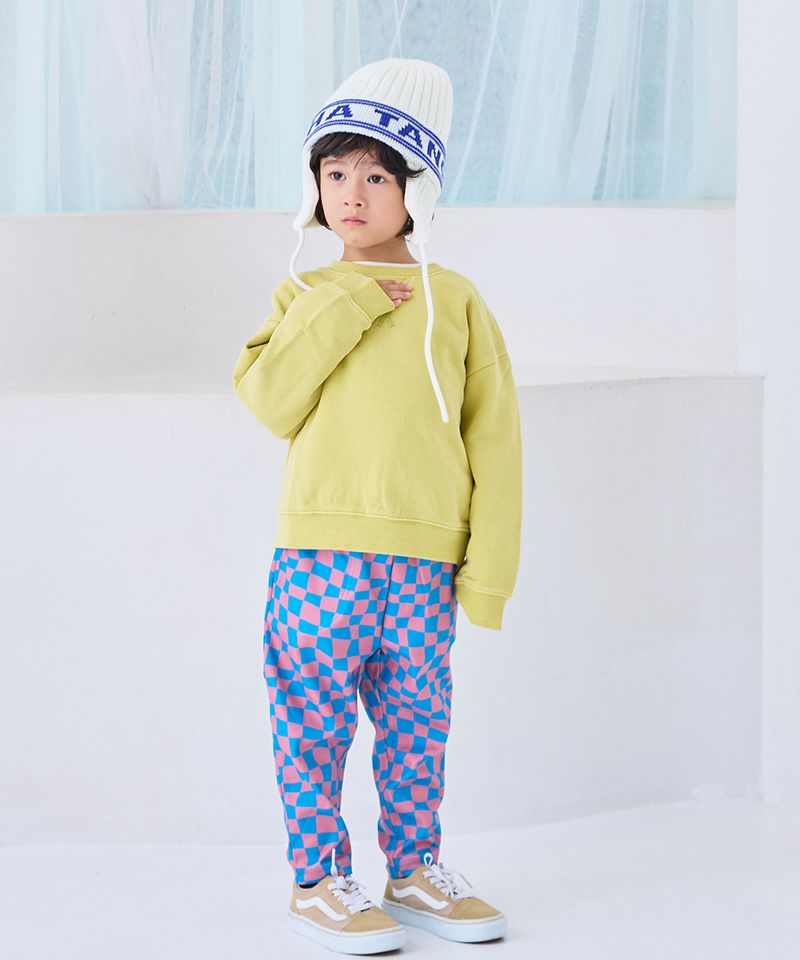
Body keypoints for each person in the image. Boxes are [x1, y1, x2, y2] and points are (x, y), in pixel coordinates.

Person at [232, 57, 521, 955]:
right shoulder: (306, 296)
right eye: (334, 173)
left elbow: (496, 443)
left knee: (416, 728)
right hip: (320, 557)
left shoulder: (458, 302)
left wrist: (487, 574)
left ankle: (414, 869)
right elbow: (269, 399)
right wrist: (349, 302)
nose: (351, 195)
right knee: (312, 722)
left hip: (426, 564)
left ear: (416, 190)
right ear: (314, 187)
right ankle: (317, 882)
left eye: (376, 176)